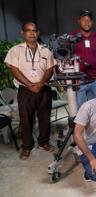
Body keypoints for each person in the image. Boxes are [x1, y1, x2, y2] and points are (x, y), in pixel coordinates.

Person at [5, 22, 55, 160]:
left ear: (38, 33)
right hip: (25, 91)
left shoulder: (46, 51)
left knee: (45, 118)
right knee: (26, 119)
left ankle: (44, 142)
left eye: (34, 31)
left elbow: (50, 69)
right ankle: (27, 146)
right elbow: (14, 69)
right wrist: (29, 84)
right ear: (23, 33)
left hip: (43, 89)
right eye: (28, 30)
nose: (32, 33)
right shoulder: (15, 50)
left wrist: (40, 83)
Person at [71, 9, 96, 108]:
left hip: (95, 80)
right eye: (83, 20)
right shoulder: (73, 37)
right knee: (80, 109)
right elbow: (68, 58)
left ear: (92, 22)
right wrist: (73, 77)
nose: (86, 23)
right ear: (79, 21)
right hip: (79, 80)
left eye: (89, 20)